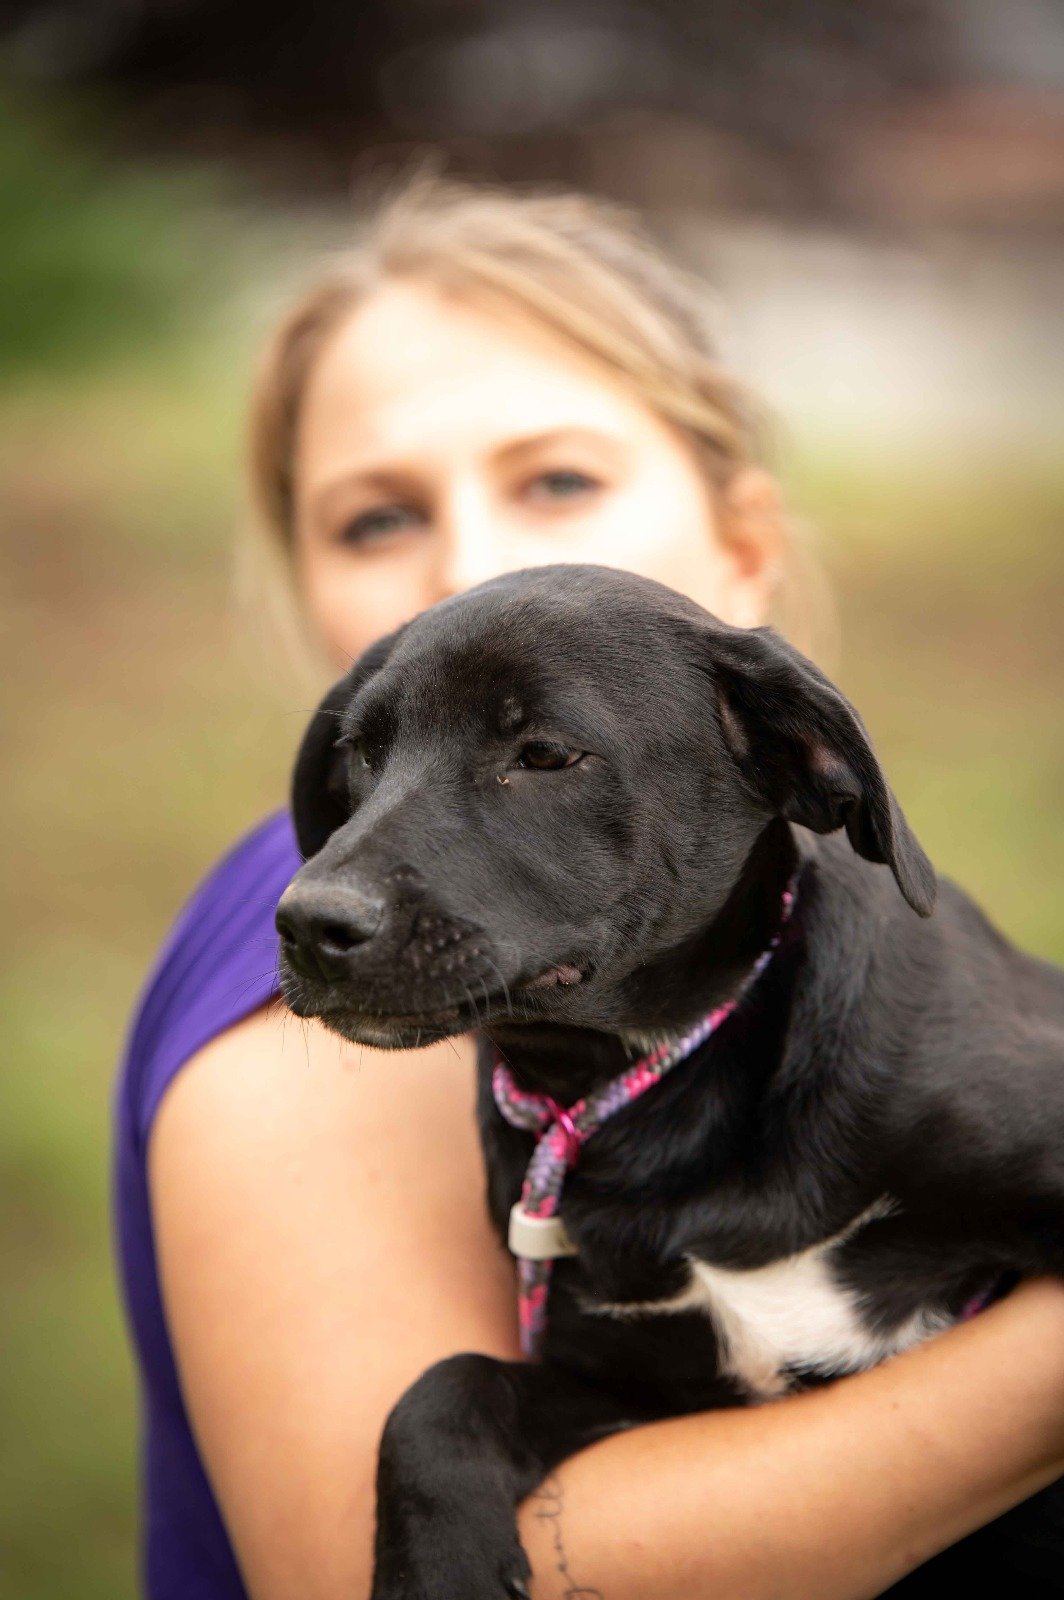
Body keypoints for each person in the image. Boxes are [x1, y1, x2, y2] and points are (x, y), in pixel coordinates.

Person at [113, 175, 1064, 1600]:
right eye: (375, 519)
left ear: (746, 543)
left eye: (557, 481)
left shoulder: (916, 1036)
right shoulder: (409, 989)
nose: (472, 563)